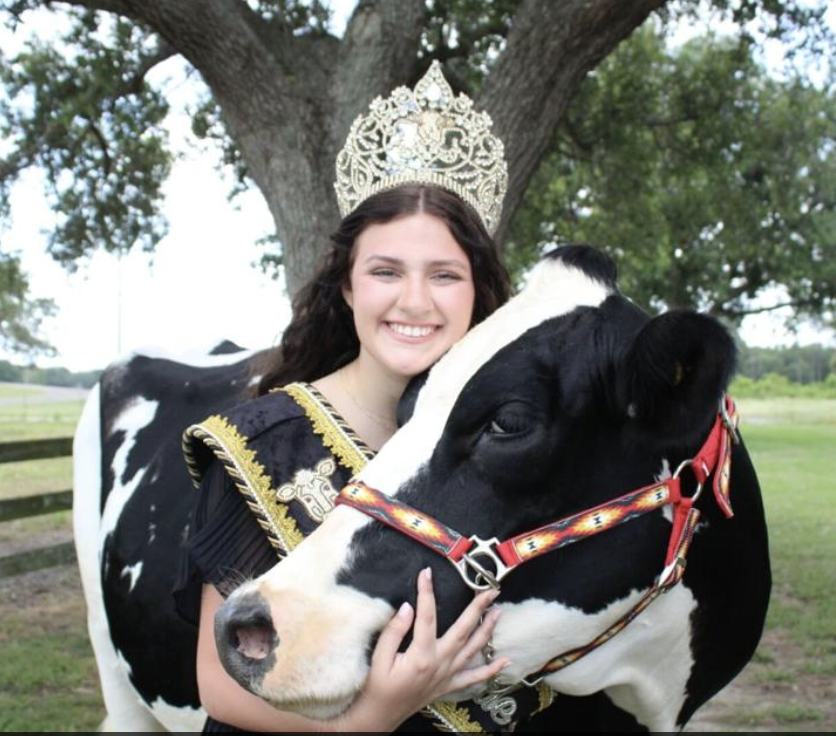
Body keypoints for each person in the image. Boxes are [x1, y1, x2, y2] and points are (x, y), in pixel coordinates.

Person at [177, 61, 542, 732]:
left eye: (444, 275)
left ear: (478, 291)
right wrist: (369, 720)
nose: (415, 301)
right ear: (347, 286)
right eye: (385, 272)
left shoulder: (513, 442)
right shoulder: (260, 446)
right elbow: (219, 684)